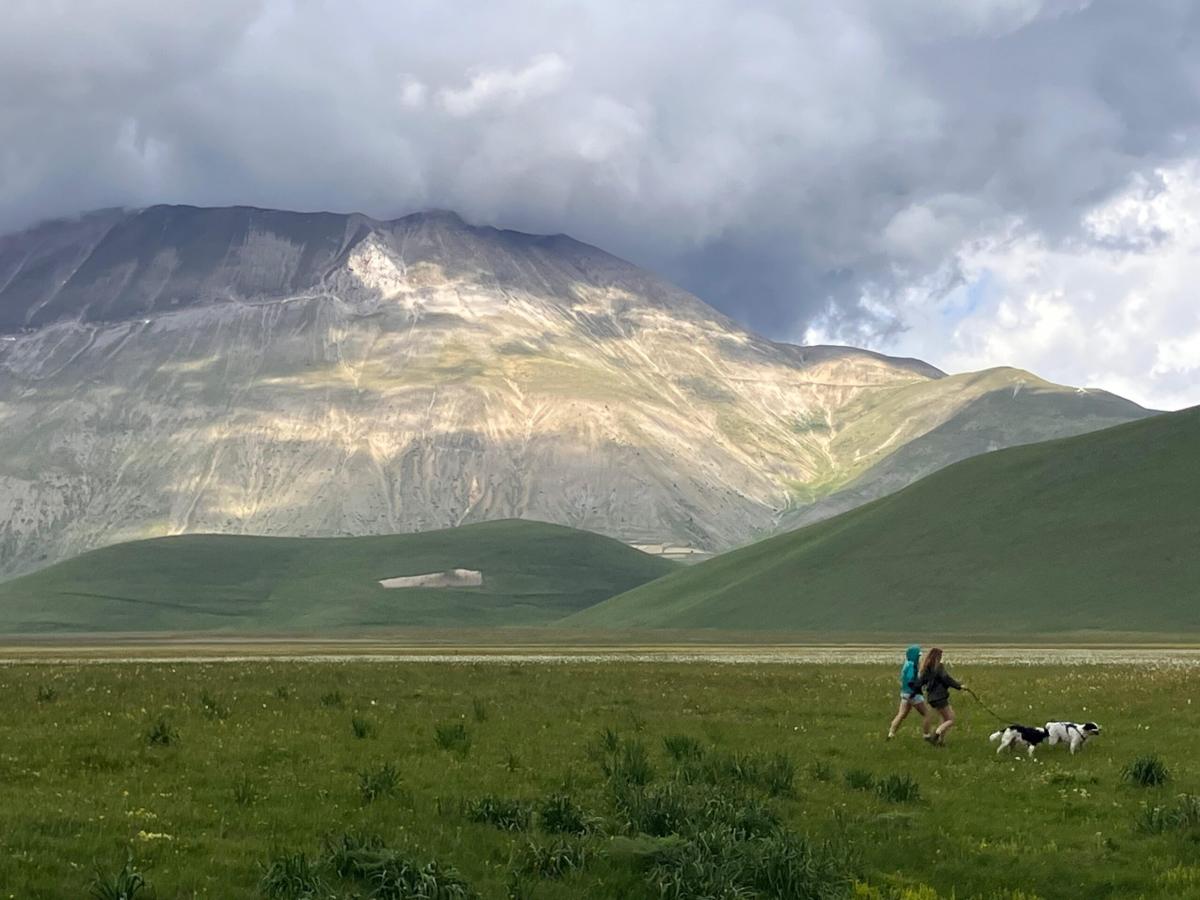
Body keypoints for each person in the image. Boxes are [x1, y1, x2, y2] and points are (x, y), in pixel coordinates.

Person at [918, 647, 965, 745]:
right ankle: (936, 734)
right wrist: (959, 686)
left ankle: (941, 741)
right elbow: (946, 678)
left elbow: (920, 682)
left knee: (944, 718)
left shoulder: (926, 668)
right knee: (950, 719)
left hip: (932, 698)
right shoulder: (938, 667)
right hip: (940, 698)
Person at [887, 644, 932, 740]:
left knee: (901, 714)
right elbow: (911, 680)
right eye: (918, 656)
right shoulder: (912, 666)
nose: (919, 658)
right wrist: (916, 688)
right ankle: (926, 735)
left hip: (904, 693)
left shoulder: (906, 664)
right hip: (913, 694)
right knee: (927, 714)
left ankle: (891, 734)